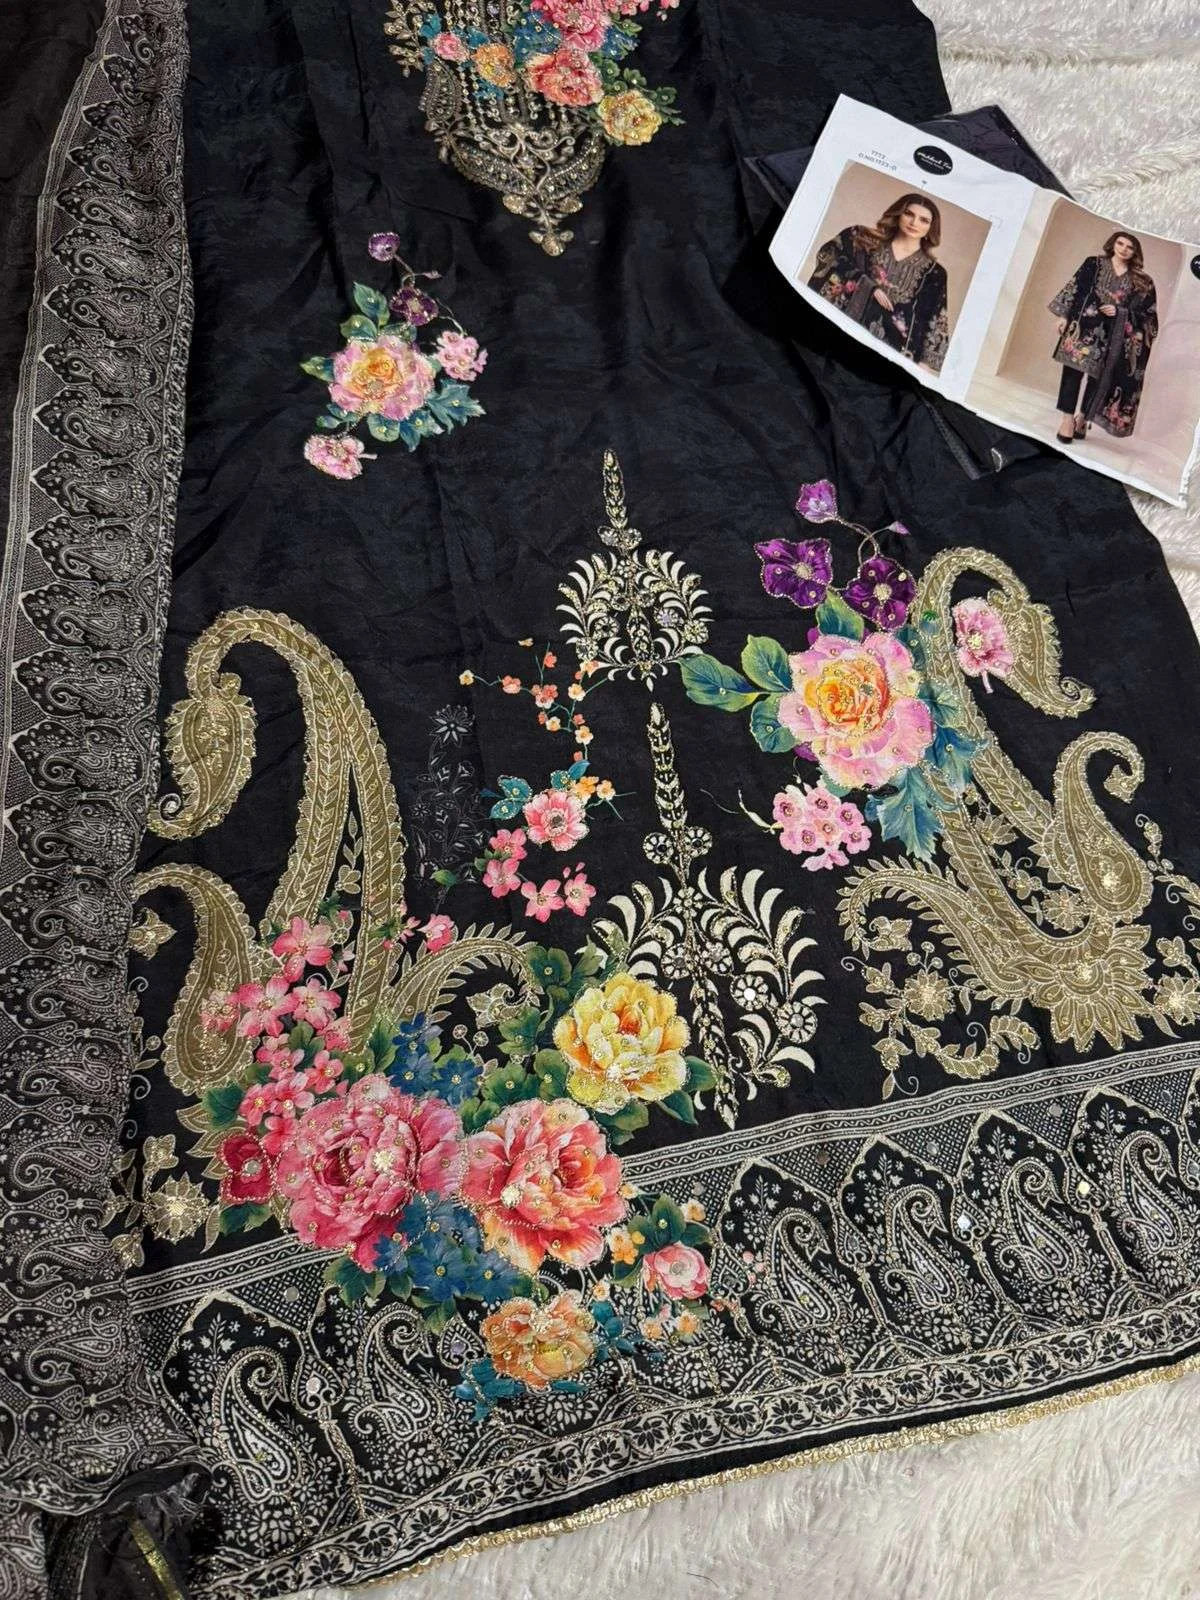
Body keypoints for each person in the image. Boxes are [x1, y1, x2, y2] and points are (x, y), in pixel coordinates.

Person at [807, 192, 950, 372]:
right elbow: (829, 255)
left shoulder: (935, 273)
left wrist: (922, 368)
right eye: (909, 214)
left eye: (924, 220)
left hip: (890, 354)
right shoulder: (861, 238)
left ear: (931, 227)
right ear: (898, 214)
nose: (914, 223)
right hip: (837, 332)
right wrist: (868, 285)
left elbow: (934, 318)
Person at [1048, 231, 1157, 443]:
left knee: (1098, 379)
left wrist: (1121, 312)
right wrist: (1063, 316)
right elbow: (1075, 287)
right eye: (1120, 243)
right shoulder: (1094, 263)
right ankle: (1067, 420)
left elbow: (1149, 316)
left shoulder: (1142, 281)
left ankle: (1082, 418)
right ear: (1113, 244)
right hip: (1082, 328)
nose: (1124, 249)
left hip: (1114, 336)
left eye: (1130, 247)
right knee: (1072, 374)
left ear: (1135, 252)